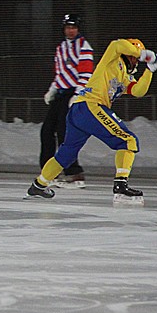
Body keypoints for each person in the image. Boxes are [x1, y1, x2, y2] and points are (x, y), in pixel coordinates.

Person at [26, 38, 157, 206]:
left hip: (78, 111)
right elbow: (117, 44)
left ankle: (38, 185)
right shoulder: (114, 57)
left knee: (66, 154)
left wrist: (150, 70)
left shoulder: (126, 77)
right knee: (128, 140)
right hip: (91, 106)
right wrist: (144, 54)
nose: (137, 61)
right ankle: (121, 186)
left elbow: (138, 91)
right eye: (135, 56)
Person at [39, 13, 95, 187]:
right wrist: (53, 89)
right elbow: (60, 73)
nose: (70, 31)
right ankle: (48, 170)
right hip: (61, 92)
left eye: (73, 28)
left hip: (73, 93)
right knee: (47, 131)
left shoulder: (84, 47)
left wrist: (78, 94)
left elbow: (85, 74)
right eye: (68, 27)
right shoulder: (61, 48)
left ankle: (73, 171)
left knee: (65, 133)